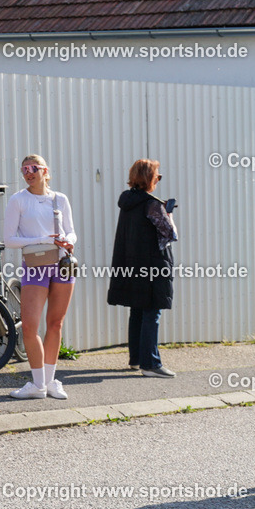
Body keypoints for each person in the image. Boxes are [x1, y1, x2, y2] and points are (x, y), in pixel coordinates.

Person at [3, 155, 76, 400]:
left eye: (34, 168)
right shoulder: (18, 200)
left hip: (63, 264)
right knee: (30, 326)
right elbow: (10, 239)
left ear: (45, 171)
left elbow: (72, 231)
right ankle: (37, 384)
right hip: (35, 265)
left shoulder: (60, 199)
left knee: (55, 323)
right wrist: (44, 240)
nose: (28, 172)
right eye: (24, 169)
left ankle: (49, 380)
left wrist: (69, 242)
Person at [107, 159, 178, 378]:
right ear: (149, 178)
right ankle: (151, 363)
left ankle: (136, 359)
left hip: (132, 266)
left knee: (137, 310)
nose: (158, 179)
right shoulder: (152, 204)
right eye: (157, 175)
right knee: (151, 312)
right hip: (152, 267)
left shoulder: (128, 202)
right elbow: (170, 233)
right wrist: (170, 215)